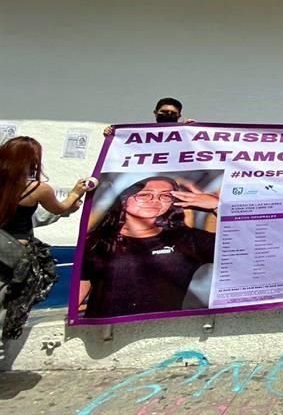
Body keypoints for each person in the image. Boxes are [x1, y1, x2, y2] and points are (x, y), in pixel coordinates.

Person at [78, 175, 219, 317]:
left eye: (165, 196)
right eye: (145, 194)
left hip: (159, 332)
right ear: (124, 198)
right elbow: (82, 286)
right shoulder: (96, 241)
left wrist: (218, 206)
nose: (155, 201)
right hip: (103, 332)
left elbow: (236, 247)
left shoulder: (187, 240)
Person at [0, 137, 94, 338]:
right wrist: (76, 193)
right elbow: (61, 208)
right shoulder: (36, 189)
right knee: (9, 301)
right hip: (15, 251)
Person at [103, 97, 195, 136]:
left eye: (173, 113)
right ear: (155, 112)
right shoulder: (141, 134)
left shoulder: (185, 132)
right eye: (164, 112)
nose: (168, 114)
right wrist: (112, 135)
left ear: (179, 116)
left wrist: (193, 130)